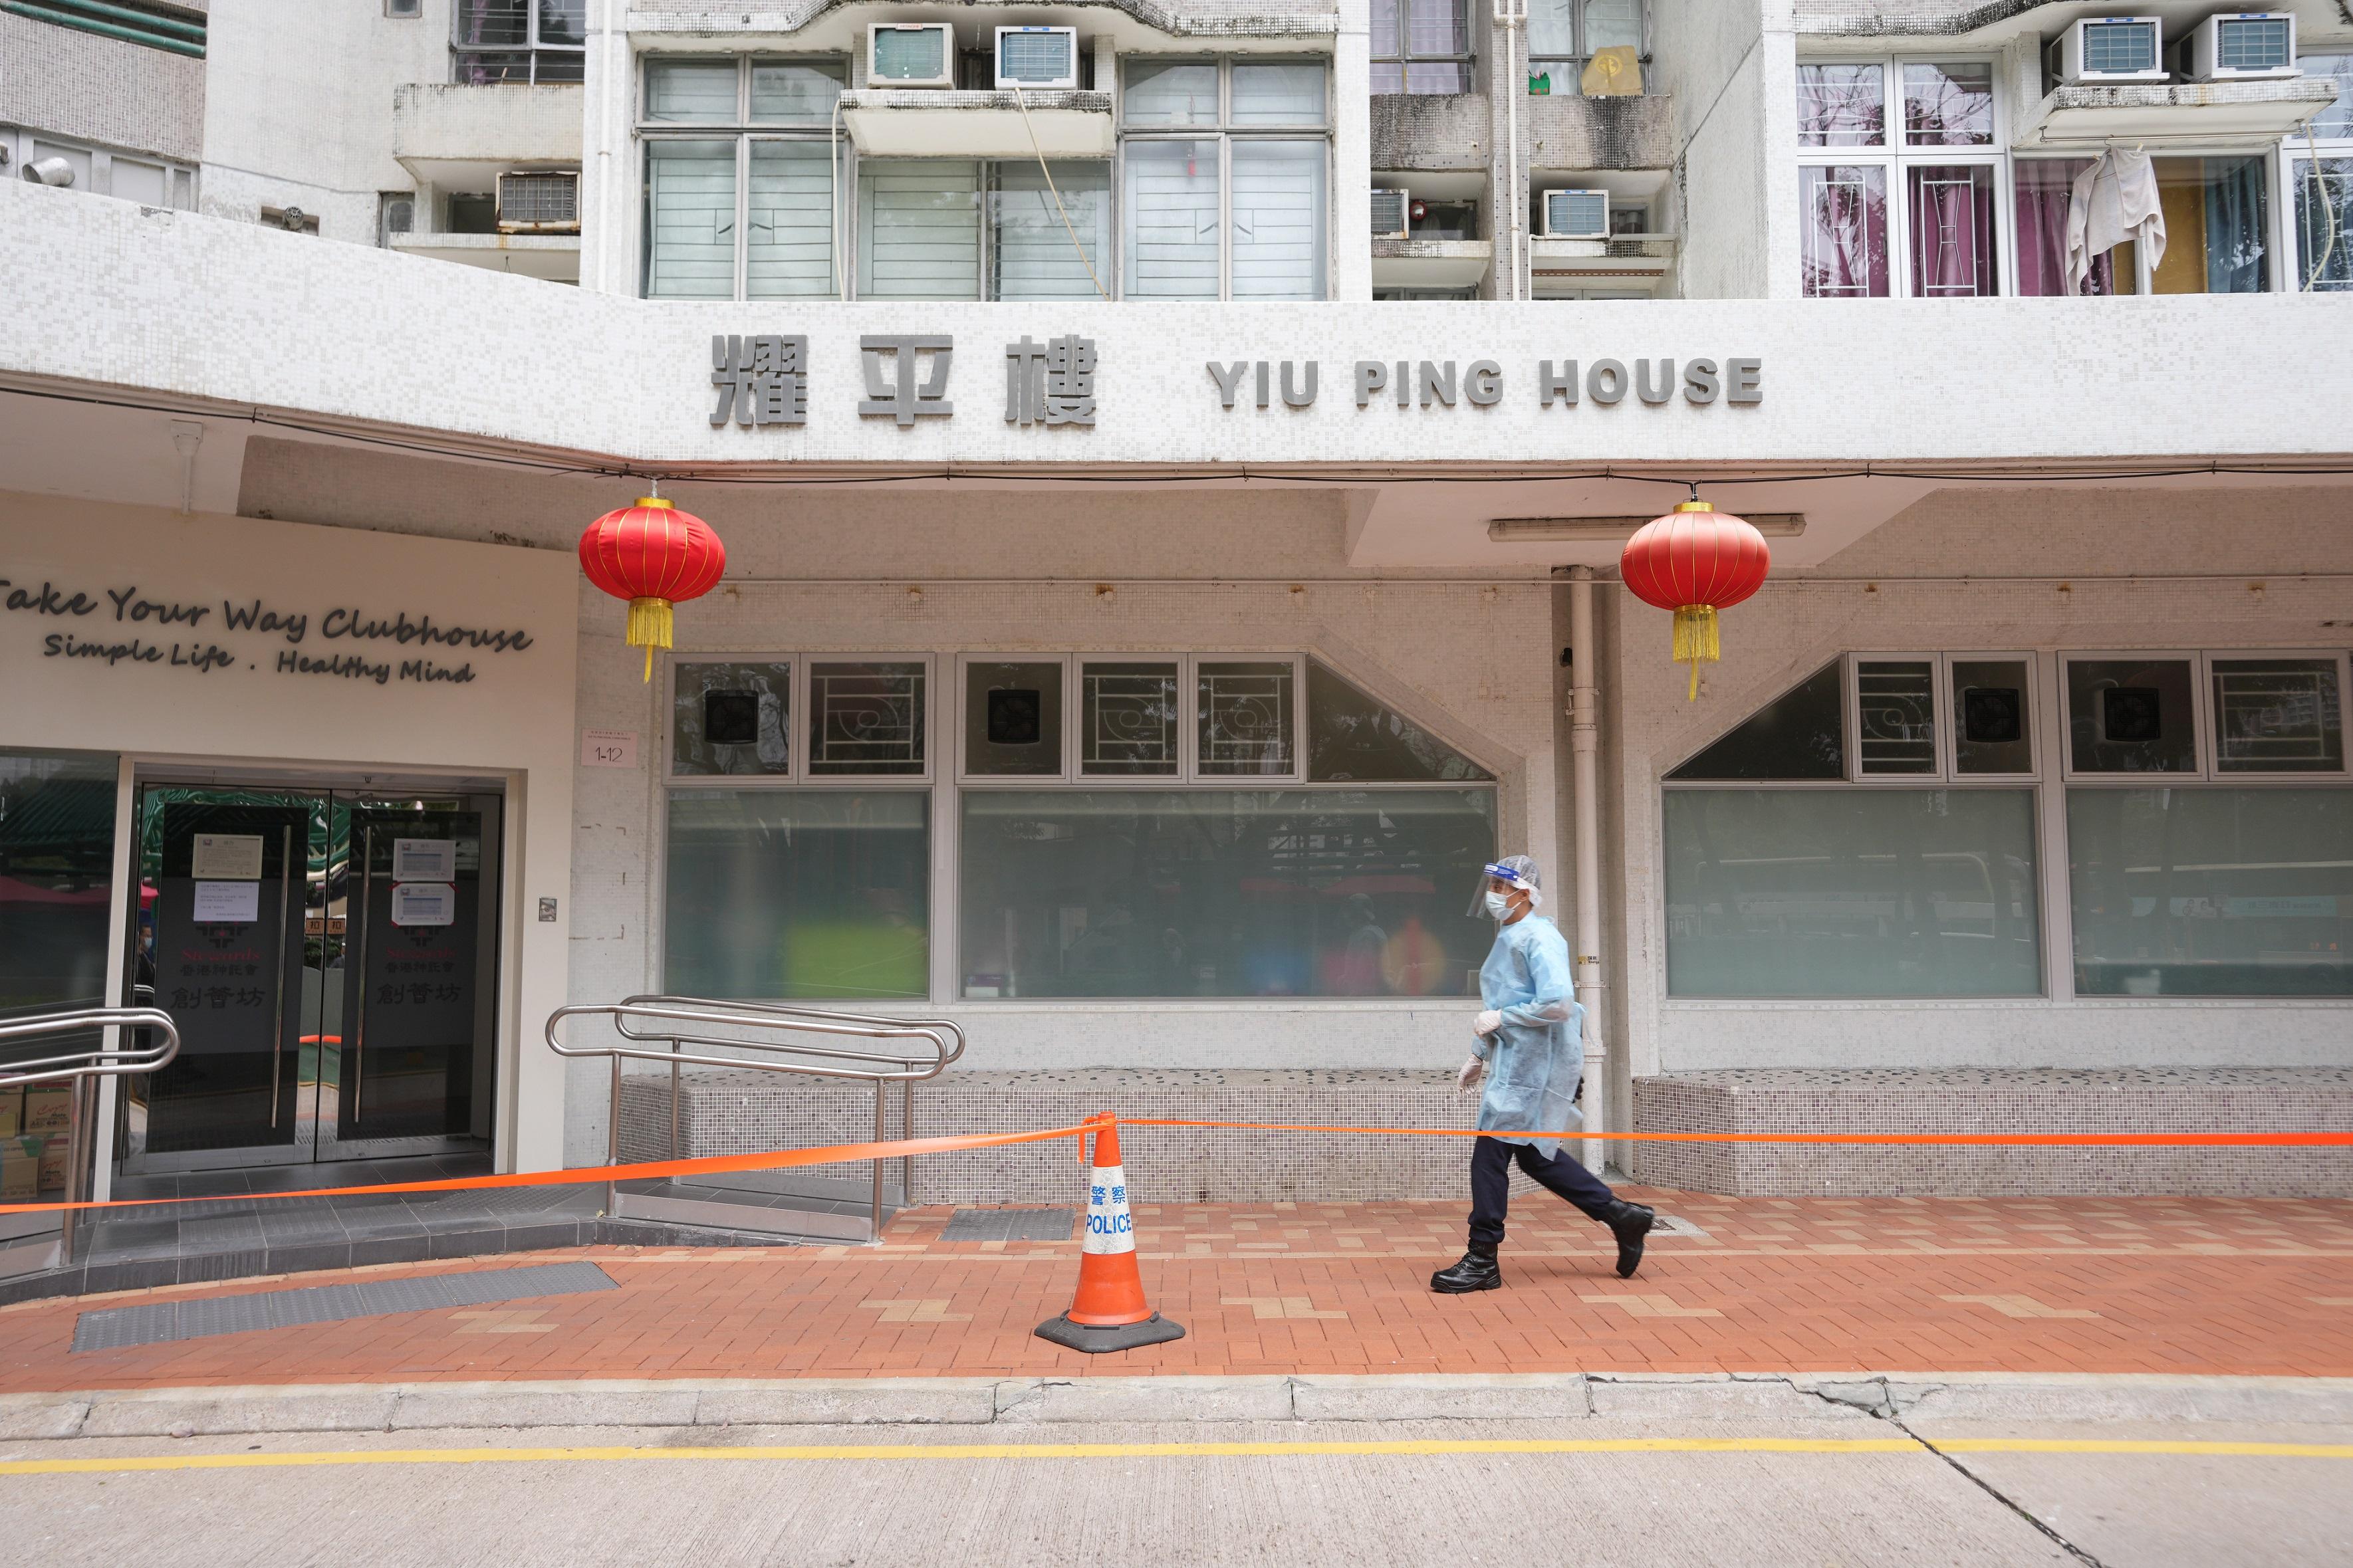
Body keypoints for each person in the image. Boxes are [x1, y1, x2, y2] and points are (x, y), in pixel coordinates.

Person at [1431, 855, 1654, 1293]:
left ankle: (1482, 1257)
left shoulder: (1538, 936)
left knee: (1490, 1155)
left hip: (1537, 1067)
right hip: (1519, 1063)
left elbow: (1557, 1002)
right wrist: (1478, 1053)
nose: (1493, 895)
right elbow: (1504, 1000)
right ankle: (1623, 1217)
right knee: (1536, 1156)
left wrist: (1500, 1020)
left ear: (1524, 892)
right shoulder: (1511, 934)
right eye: (1491, 886)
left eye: (1500, 886)